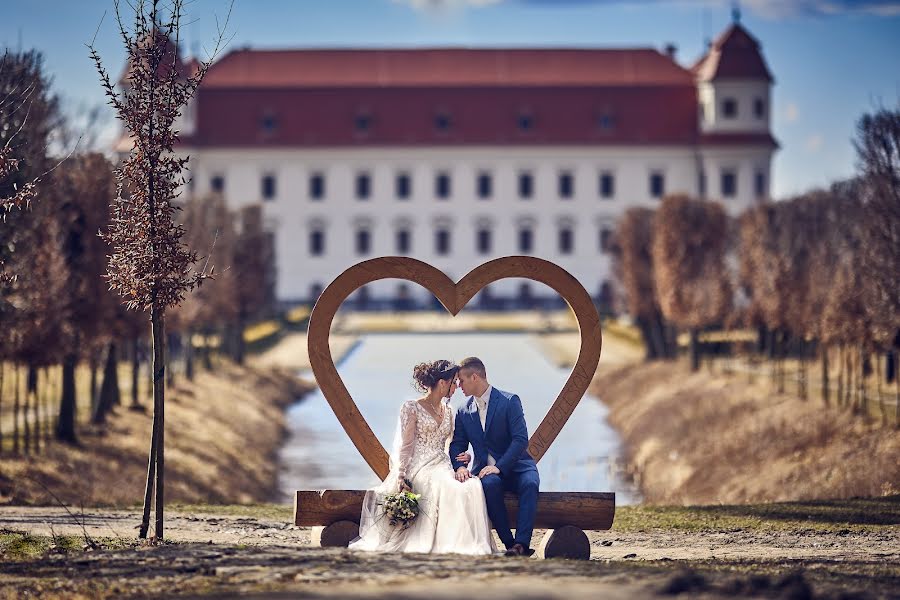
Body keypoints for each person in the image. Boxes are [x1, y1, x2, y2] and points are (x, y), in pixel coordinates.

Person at [349, 360, 496, 554]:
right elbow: (405, 446)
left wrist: (464, 457)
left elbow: (452, 444)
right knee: (447, 486)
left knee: (470, 485)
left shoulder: (449, 412)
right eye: (454, 382)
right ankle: (448, 544)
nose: (457, 387)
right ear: (442, 383)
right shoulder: (412, 407)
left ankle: (461, 541)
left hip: (442, 463)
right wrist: (400, 475)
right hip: (420, 464)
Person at [450, 356, 540, 556]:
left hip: (518, 466)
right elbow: (457, 444)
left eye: (461, 381)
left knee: (530, 484)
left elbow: (520, 439)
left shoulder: (509, 401)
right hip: (486, 472)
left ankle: (522, 544)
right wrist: (461, 467)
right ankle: (510, 545)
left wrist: (499, 466)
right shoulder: (463, 410)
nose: (458, 386)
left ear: (474, 377)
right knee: (490, 485)